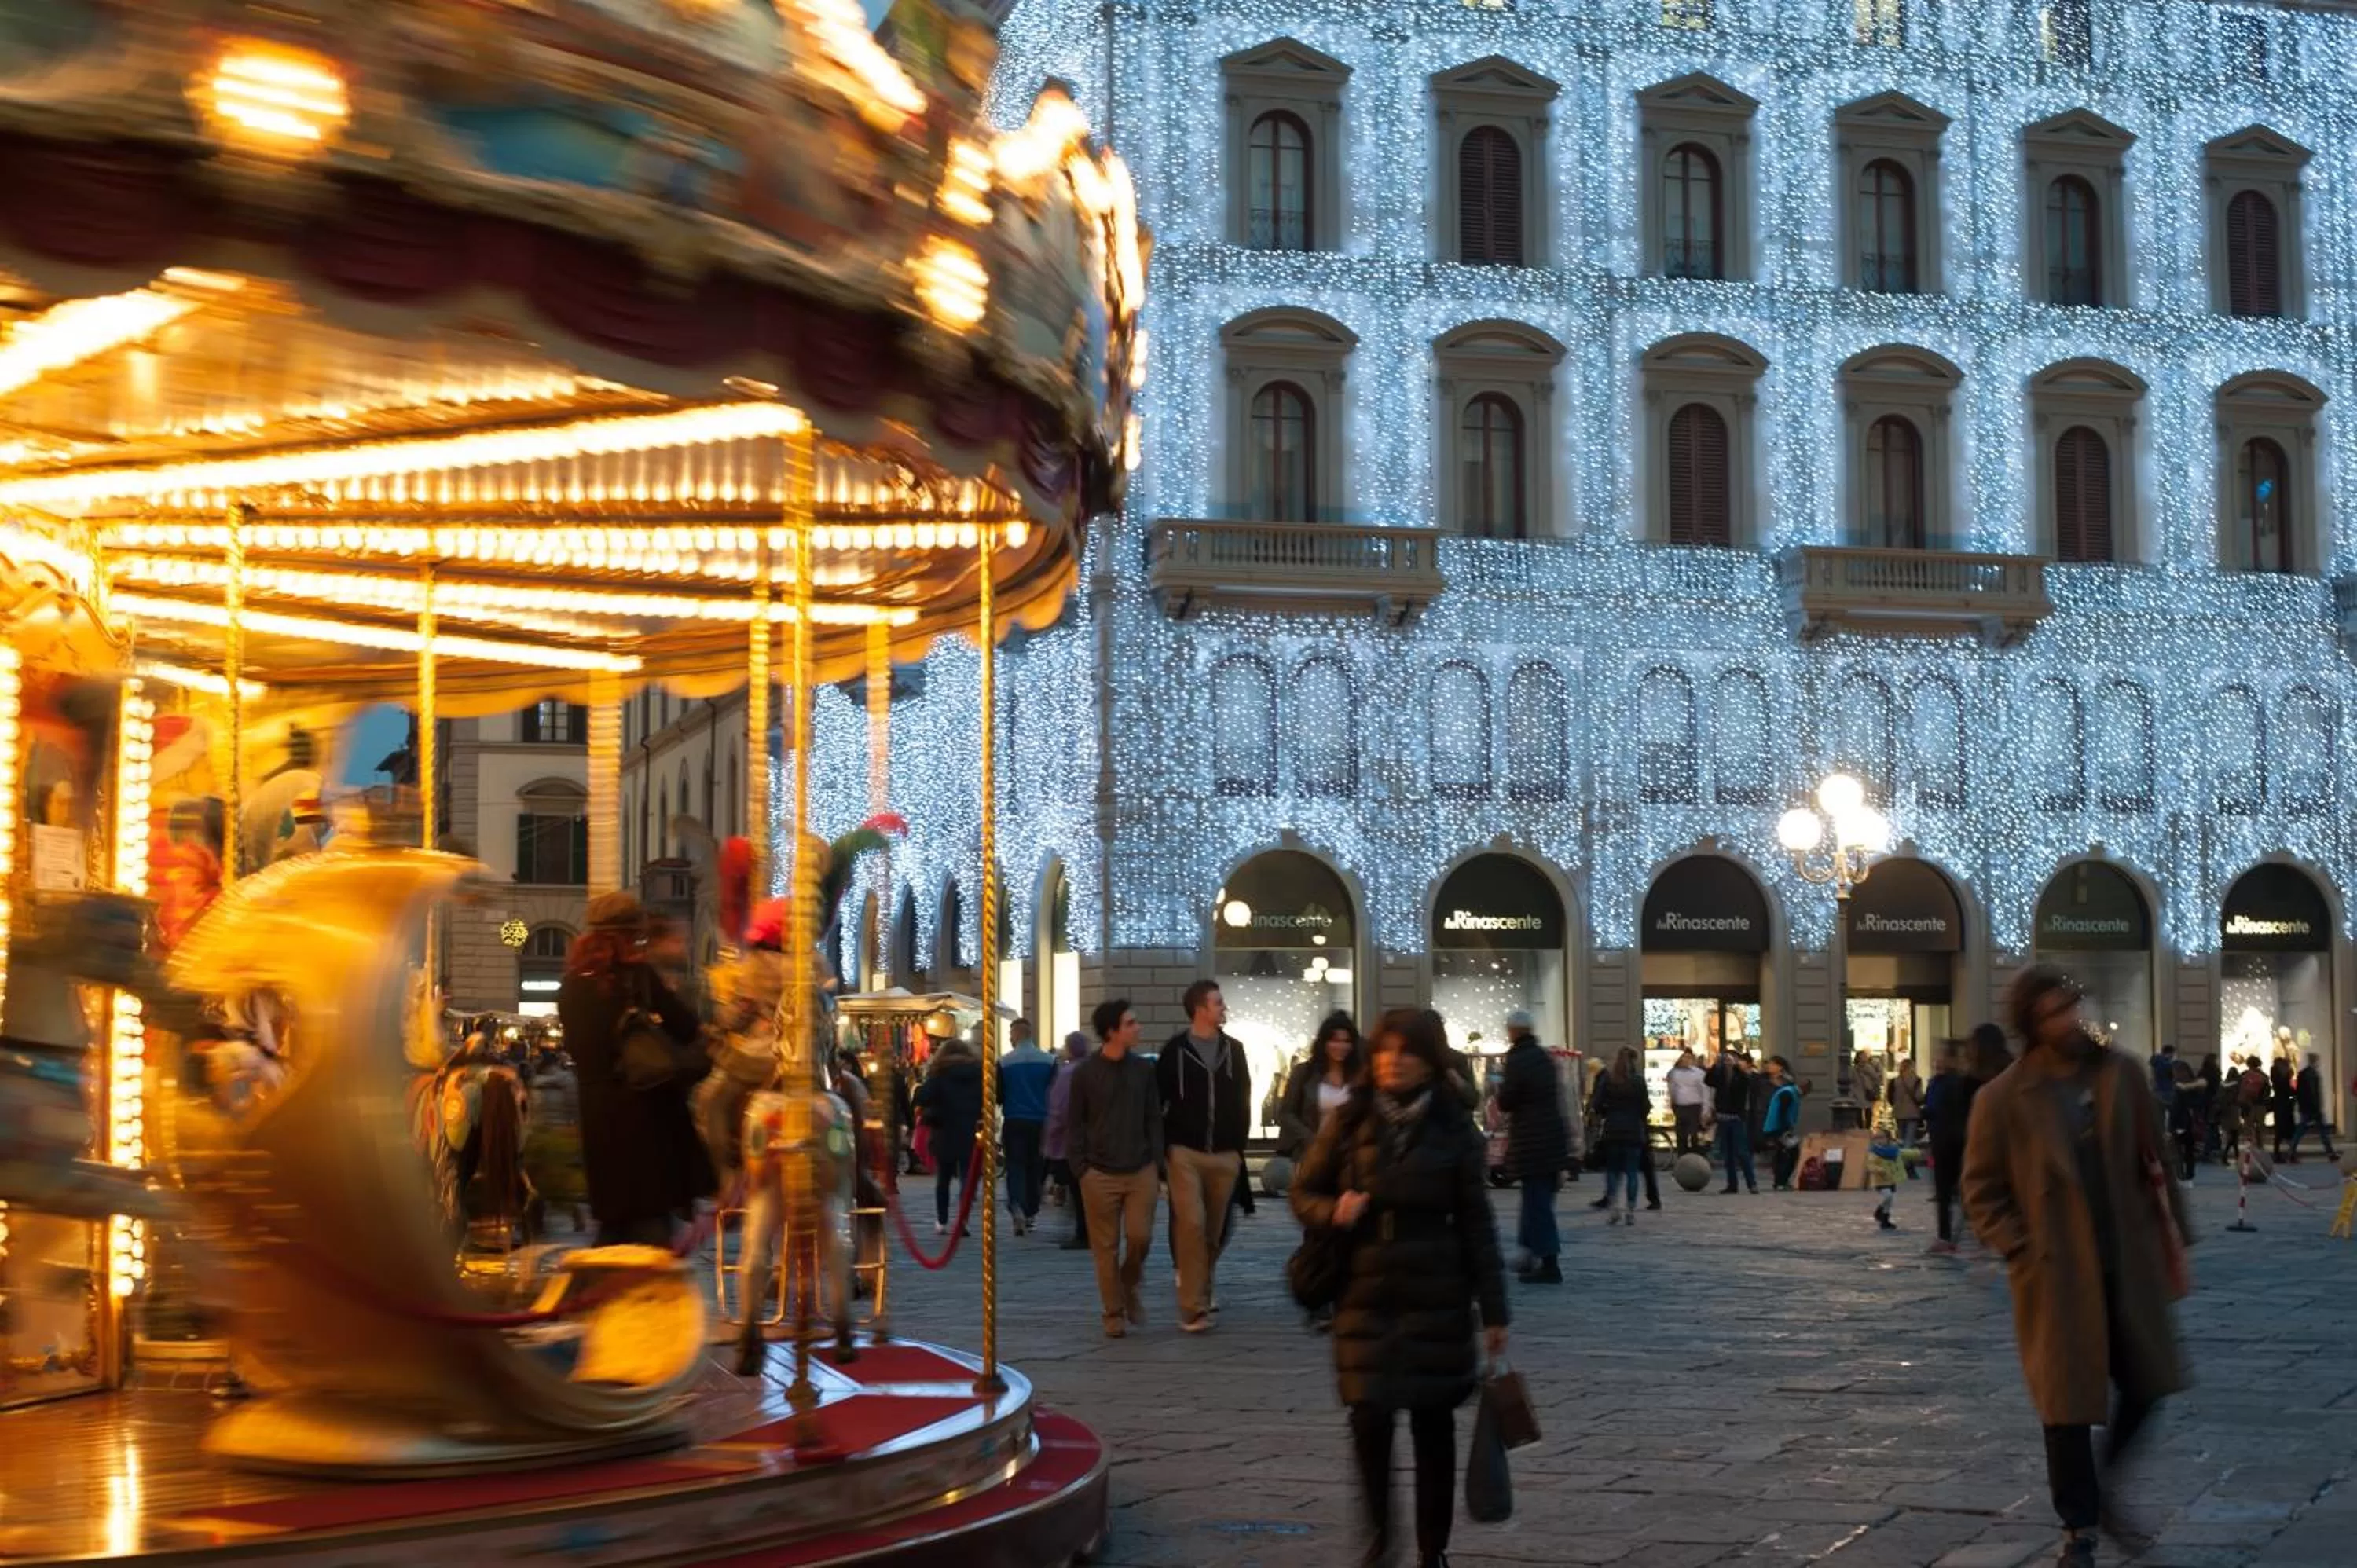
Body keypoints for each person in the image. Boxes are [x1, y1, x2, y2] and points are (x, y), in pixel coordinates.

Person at [1963, 965, 2192, 1565]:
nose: (2069, 1019)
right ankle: (2080, 1532)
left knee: (2148, 1385)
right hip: (2057, 1272)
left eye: (2072, 1006)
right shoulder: (2003, 1098)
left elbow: (2157, 1158)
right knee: (2064, 1410)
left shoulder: (2122, 1072)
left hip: (2126, 1260)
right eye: (2054, 1013)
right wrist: (2021, 1246)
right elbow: (1981, 1189)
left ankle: (2105, 1481)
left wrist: (2176, 1239)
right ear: (2031, 1026)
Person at [1291, 1009, 1508, 1568]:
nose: (1393, 1061)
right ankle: (1380, 1539)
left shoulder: (1455, 1126)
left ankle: (1432, 1549)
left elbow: (1478, 1221)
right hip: (1365, 1285)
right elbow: (1303, 1191)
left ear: (1429, 1058)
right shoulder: (1350, 1117)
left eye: (1406, 1052)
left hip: (1438, 1285)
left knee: (1434, 1423)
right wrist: (1332, 1210)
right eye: (1385, 1050)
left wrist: (1495, 1309)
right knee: (1369, 1418)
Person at [555, 891, 713, 1249]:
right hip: (644, 1112)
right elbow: (686, 1027)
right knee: (651, 1227)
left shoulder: (571, 987)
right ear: (628, 936)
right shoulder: (638, 978)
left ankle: (599, 1295)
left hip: (597, 1115)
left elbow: (579, 1050)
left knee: (613, 1225)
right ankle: (643, 1295)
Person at [1157, 980, 1251, 1333]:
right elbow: (1158, 1101)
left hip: (1225, 1153)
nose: (1223, 1008)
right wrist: (1164, 1148)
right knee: (1191, 1224)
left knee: (1214, 1232)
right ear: (1200, 1009)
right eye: (1218, 1003)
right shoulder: (1176, 1051)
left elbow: (1243, 1098)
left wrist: (1238, 1148)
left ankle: (1202, 1283)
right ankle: (1192, 1307)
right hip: (1185, 1152)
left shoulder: (1235, 1050)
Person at [1069, 999, 1163, 1337]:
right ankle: (1113, 1311)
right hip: (1099, 1173)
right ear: (1112, 1031)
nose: (1138, 1028)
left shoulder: (1143, 1070)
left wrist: (1157, 1160)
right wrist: (1080, 1168)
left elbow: (1153, 1116)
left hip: (1140, 1169)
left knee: (1141, 1236)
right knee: (1104, 1249)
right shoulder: (1085, 1073)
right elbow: (1074, 1123)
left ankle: (1129, 1282)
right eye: (1130, 1023)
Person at [1495, 1008, 1569, 1284]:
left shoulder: (1518, 1060)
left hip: (1531, 1139)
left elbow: (1506, 1100)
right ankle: (1528, 1254)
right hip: (1550, 1137)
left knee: (1537, 1202)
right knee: (1536, 1199)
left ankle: (1549, 1263)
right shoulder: (1543, 1057)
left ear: (1513, 1031)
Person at [1925, 1031, 1993, 1254]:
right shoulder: (1942, 1082)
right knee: (1948, 1193)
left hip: (1959, 1142)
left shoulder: (1961, 1083)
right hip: (1946, 1143)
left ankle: (1966, 1233)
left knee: (1963, 1191)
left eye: (1943, 1056)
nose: (1939, 1059)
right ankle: (1949, 1236)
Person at [913, 1038, 983, 1236]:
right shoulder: (978, 1072)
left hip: (944, 1130)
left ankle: (942, 1221)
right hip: (971, 1132)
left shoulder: (939, 1073)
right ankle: (963, 1220)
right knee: (967, 1179)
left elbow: (923, 1096)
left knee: (943, 1179)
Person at [1277, 1013, 1363, 1165]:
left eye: (1347, 1041)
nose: (1341, 1046)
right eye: (1335, 1040)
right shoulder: (1305, 1072)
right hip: (1311, 1154)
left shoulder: (1359, 1075)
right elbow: (1287, 1113)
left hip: (1348, 1156)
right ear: (1324, 1042)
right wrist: (1312, 1139)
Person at [998, 1019, 1055, 1234]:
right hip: (1041, 1121)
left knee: (1015, 1167)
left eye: (1010, 1035)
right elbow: (1054, 1092)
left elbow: (999, 1095)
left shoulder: (1004, 1062)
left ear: (1016, 1035)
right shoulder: (1049, 1061)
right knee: (1035, 1167)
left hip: (1014, 1120)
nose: (1009, 1039)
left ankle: (1017, 1206)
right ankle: (1031, 1211)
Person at [1589, 1046, 1651, 1227]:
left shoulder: (1609, 1079)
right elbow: (1646, 1107)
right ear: (1634, 1061)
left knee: (1613, 1172)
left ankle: (1614, 1208)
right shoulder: (1638, 1081)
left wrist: (1609, 1111)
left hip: (1613, 1130)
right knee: (1632, 1172)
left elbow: (1597, 1104)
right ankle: (1630, 1211)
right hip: (1633, 1131)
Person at [1045, 1029, 1091, 1250]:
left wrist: (1051, 1135)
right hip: (1094, 1137)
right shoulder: (1094, 1069)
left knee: (1076, 1186)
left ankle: (1083, 1232)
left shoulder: (1068, 1073)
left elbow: (1059, 1108)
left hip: (1071, 1138)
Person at [1706, 1045, 1758, 1195]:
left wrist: (1737, 1068)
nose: (1728, 1062)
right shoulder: (1720, 1073)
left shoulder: (1742, 1075)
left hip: (1737, 1118)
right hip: (1723, 1118)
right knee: (1727, 1154)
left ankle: (1752, 1184)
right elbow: (1708, 1081)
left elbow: (1746, 1082)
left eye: (1731, 1059)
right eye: (1725, 1059)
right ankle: (1732, 1185)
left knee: (1742, 1152)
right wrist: (1715, 1064)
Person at [1761, 1055, 1802, 1190]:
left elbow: (1787, 1104)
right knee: (1784, 1153)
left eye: (1772, 1064)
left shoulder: (1787, 1083)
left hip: (1779, 1123)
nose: (1769, 1066)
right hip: (1773, 1122)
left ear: (1780, 1066)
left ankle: (1781, 1181)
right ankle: (1780, 1181)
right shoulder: (1763, 1080)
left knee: (1785, 1152)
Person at [1864, 1089, 1903, 1231]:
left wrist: (1917, 1154)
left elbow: (1902, 1156)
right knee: (1887, 1197)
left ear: (1888, 1139)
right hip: (1880, 1180)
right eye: (1877, 1138)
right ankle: (1880, 1211)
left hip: (1891, 1179)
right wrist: (1880, 1169)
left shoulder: (1892, 1151)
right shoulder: (1875, 1152)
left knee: (1891, 1199)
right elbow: (1870, 1165)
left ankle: (1885, 1218)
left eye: (1882, 1138)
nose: (1879, 1141)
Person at [2291, 1051, 2339, 1161]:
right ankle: (2330, 1153)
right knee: (2321, 1131)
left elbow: (2300, 1092)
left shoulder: (2303, 1074)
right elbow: (2313, 1093)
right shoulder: (2312, 1074)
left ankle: (2292, 1152)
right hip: (2313, 1108)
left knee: (2301, 1130)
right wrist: (2317, 1108)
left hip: (2307, 1107)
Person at [1666, 1048, 1708, 1154]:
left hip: (1694, 1107)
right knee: (1681, 1135)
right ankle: (1682, 1157)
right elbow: (1672, 1089)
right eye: (1683, 1058)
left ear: (1693, 1060)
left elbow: (1704, 1092)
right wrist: (1672, 1104)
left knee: (1694, 1135)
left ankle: (1695, 1157)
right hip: (1680, 1107)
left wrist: (1705, 1111)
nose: (1685, 1060)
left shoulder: (1699, 1074)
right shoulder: (1674, 1073)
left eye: (1688, 1058)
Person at [1892, 1059, 1926, 1145]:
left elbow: (1890, 1097)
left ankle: (1901, 1155)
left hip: (1899, 1113)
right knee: (1909, 1140)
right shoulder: (1916, 1080)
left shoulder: (1894, 1081)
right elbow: (1919, 1097)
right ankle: (1907, 1156)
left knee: (1901, 1139)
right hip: (1912, 1114)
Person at [1851, 1049, 1883, 1115]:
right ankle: (1861, 1125)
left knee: (1868, 1111)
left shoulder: (1868, 1068)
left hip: (1867, 1092)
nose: (1865, 1058)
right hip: (1859, 1092)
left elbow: (1876, 1078)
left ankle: (1866, 1125)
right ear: (1858, 1058)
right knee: (1859, 1112)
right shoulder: (1855, 1069)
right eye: (1863, 1056)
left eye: (1865, 1056)